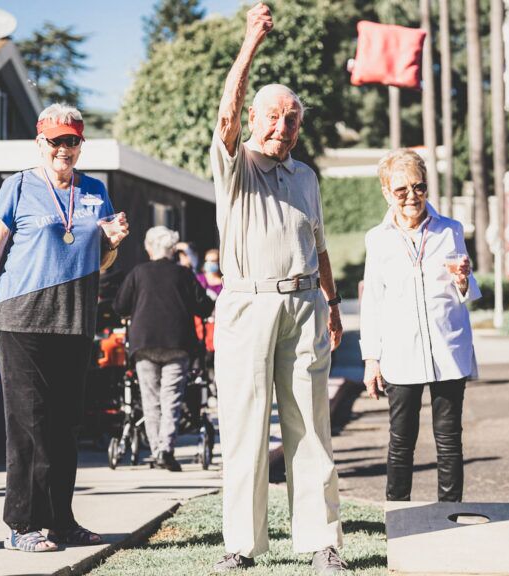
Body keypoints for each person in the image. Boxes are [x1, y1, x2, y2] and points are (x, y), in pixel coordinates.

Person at [209, 3, 346, 572]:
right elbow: (226, 114)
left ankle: (321, 543)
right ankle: (241, 547)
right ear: (253, 118)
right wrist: (250, 42)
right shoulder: (235, 164)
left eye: (291, 120)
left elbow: (320, 246)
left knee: (311, 426)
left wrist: (332, 304)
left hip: (306, 304)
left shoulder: (306, 176)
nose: (281, 128)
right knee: (244, 428)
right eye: (272, 117)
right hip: (248, 305)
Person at [0, 103, 129, 553]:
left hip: (74, 318)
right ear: (40, 142)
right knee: (28, 423)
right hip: (21, 317)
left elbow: (100, 259)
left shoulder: (95, 190)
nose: (64, 149)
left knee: (64, 426)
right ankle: (21, 524)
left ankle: (60, 521)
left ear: (81, 144)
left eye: (72, 141)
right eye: (56, 141)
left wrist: (112, 243)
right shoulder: (18, 187)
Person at [360, 149, 480, 503]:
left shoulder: (450, 230)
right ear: (387, 193)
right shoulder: (377, 238)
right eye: (401, 190)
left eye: (419, 186)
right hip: (401, 352)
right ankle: (398, 515)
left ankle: (449, 514)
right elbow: (373, 302)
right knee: (401, 440)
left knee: (449, 439)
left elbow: (467, 292)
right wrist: (371, 359)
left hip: (447, 348)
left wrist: (463, 280)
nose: (412, 196)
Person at [113, 225, 214, 472]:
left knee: (150, 399)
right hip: (177, 343)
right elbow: (203, 306)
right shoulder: (183, 274)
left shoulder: (138, 273)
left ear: (149, 248)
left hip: (144, 342)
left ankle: (157, 449)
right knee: (172, 398)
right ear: (172, 249)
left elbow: (120, 306)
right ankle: (165, 450)